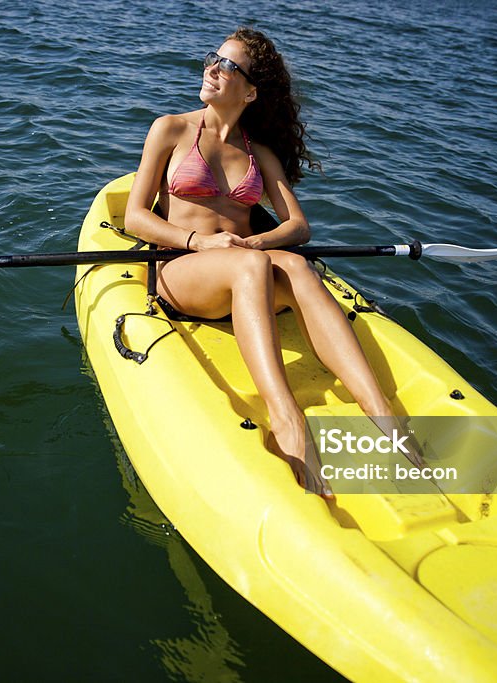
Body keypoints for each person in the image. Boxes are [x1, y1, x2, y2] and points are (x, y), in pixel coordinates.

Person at [125, 27, 420, 496]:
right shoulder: (172, 129)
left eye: (229, 66)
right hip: (183, 272)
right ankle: (286, 419)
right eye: (212, 59)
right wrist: (199, 242)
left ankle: (380, 410)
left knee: (298, 266)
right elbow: (136, 215)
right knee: (254, 268)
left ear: (251, 91)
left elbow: (298, 227)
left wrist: (254, 245)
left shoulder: (258, 153)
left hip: (246, 273)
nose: (213, 70)